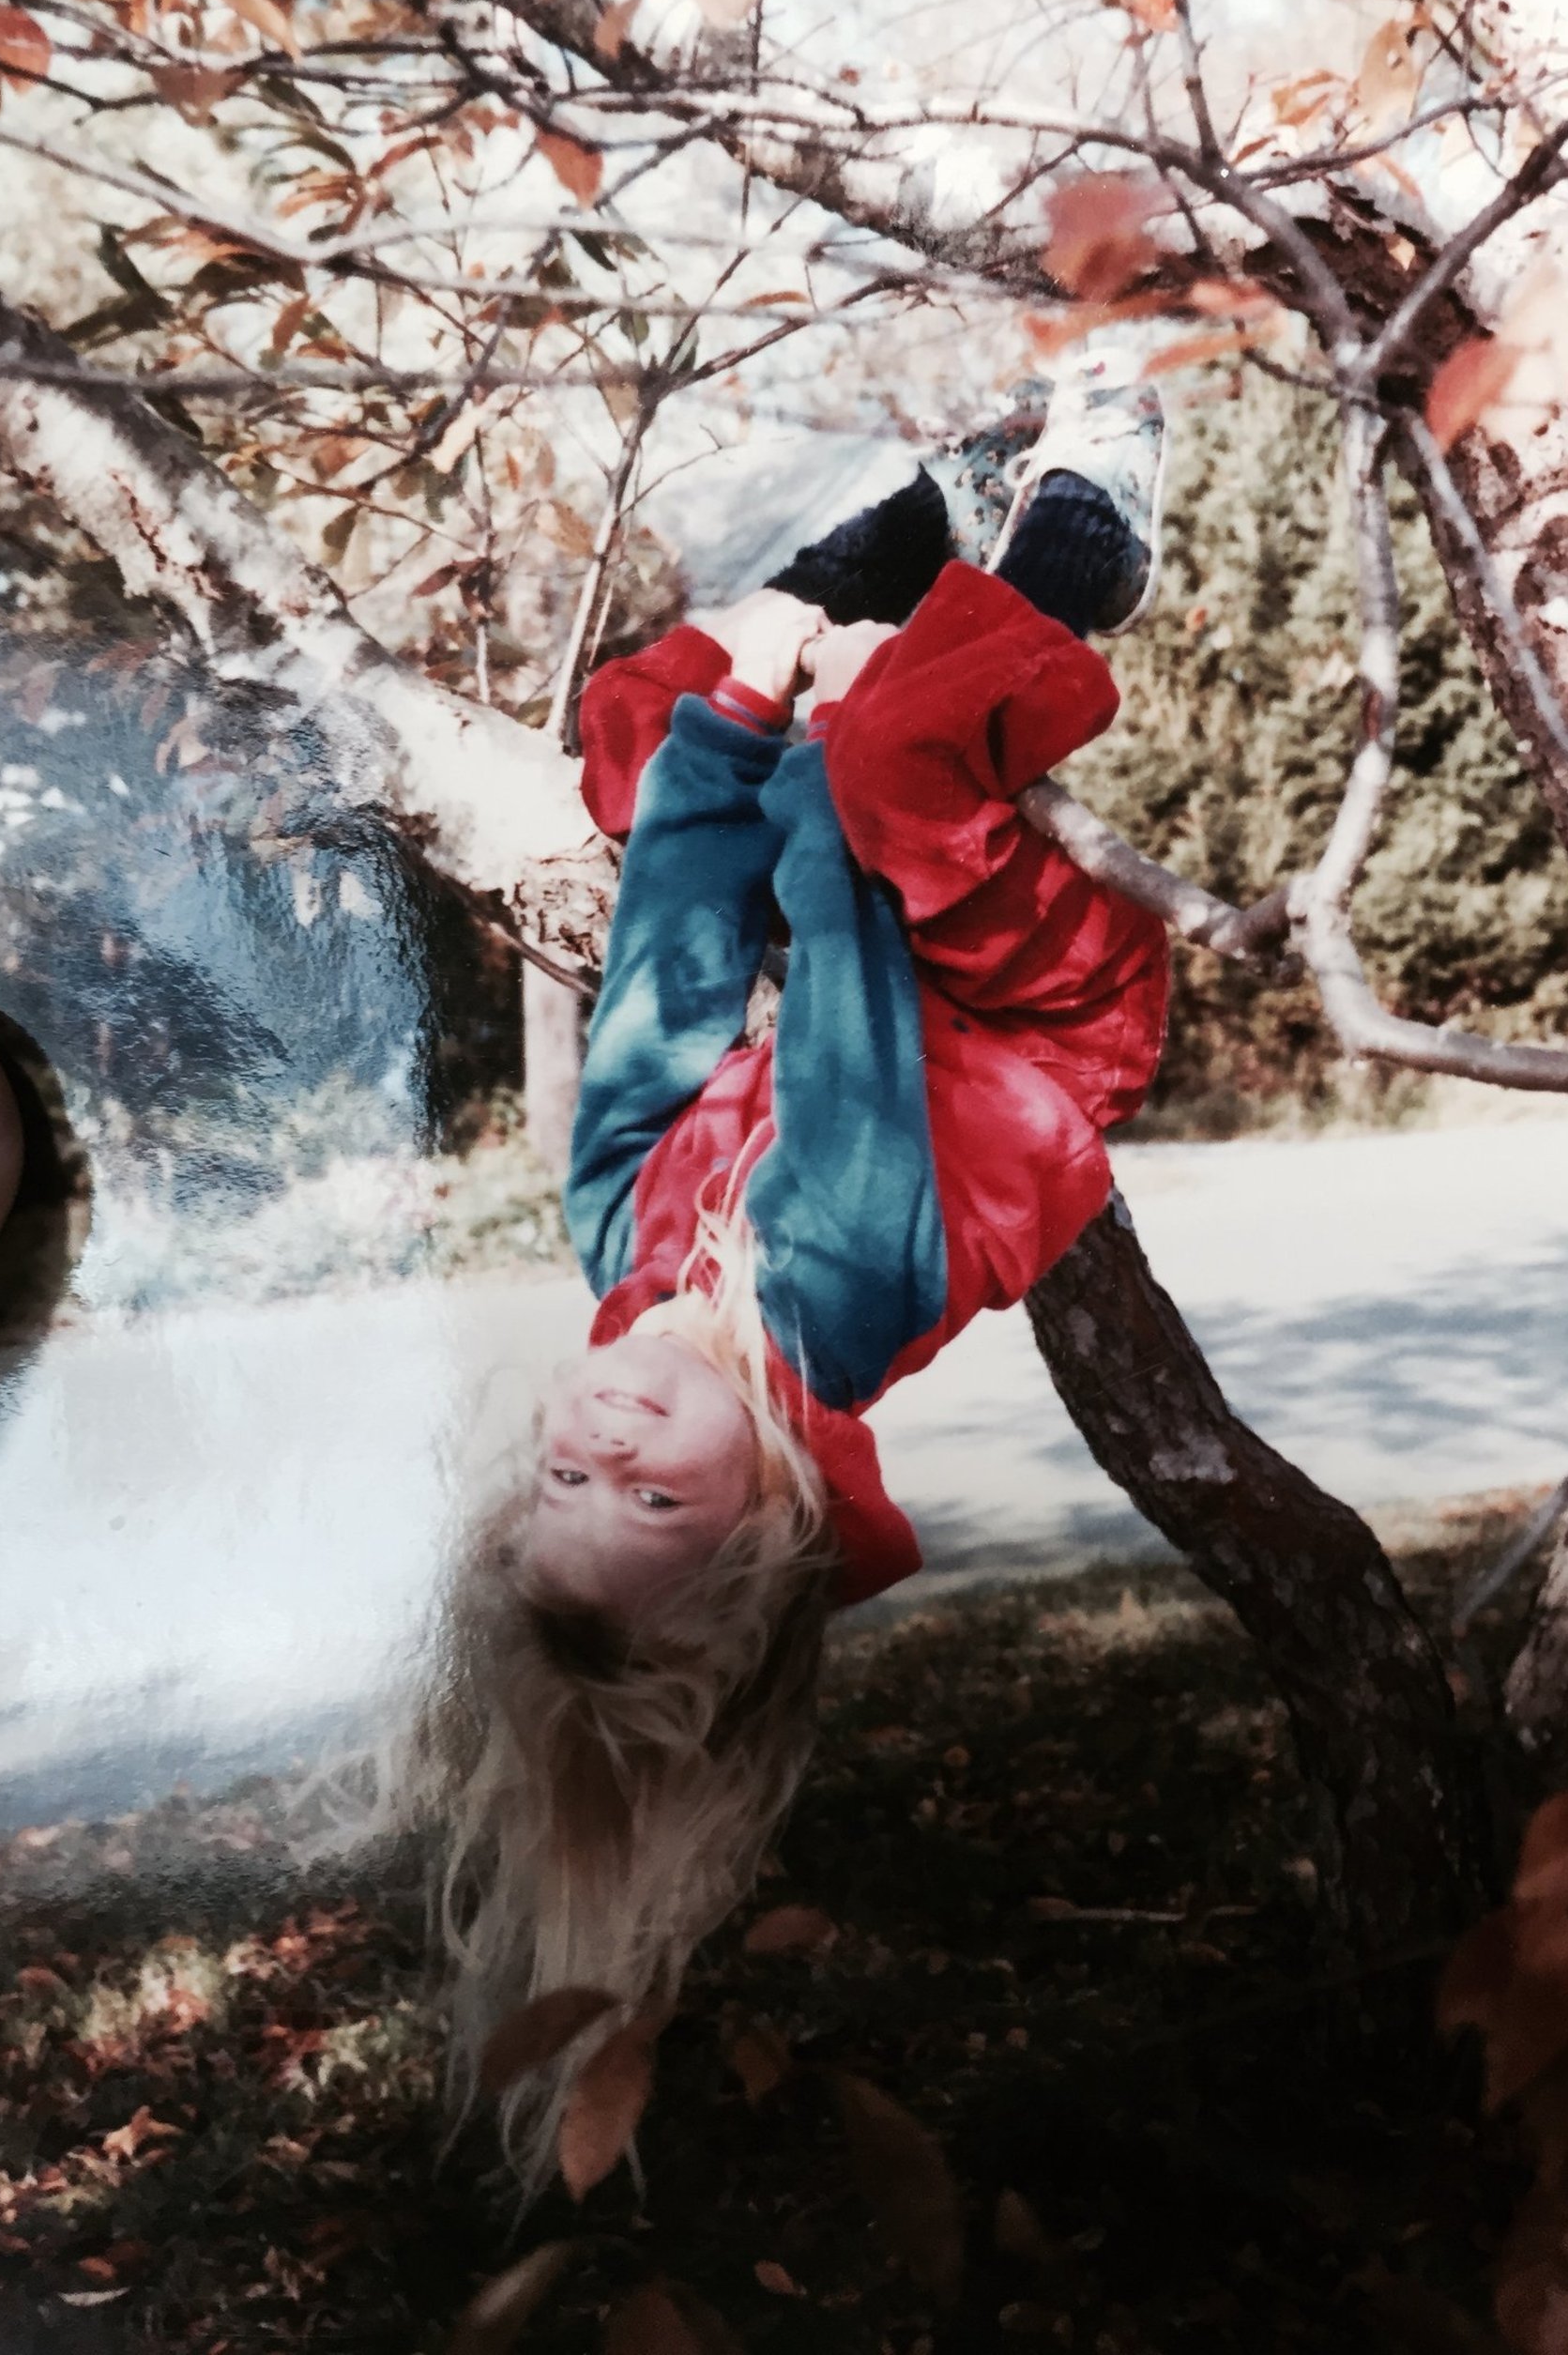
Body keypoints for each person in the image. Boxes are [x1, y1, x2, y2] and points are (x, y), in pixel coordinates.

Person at [413, 352, 1173, 2191]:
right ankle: (1093, 506)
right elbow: (835, 983)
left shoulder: (621, 1250)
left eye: (562, 1474)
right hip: (1024, 1031)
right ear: (762, 1510)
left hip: (875, 989)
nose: (601, 1426)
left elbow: (670, 983)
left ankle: (892, 535)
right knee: (894, 762)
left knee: (636, 746)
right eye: (650, 1484)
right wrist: (817, 740)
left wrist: (734, 712)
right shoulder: (827, 1289)